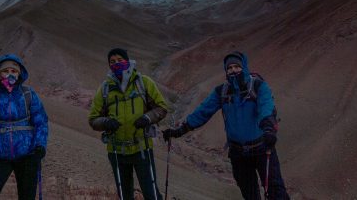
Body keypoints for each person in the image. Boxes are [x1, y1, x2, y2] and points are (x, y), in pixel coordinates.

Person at [162, 51, 290, 200]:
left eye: (237, 66)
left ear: (244, 67)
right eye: (229, 68)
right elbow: (203, 111)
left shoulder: (258, 86)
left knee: (276, 192)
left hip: (262, 147)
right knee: (250, 194)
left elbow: (266, 106)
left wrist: (268, 127)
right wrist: (180, 130)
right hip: (238, 153)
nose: (233, 70)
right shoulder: (221, 91)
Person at [89, 48, 168, 200]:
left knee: (151, 193)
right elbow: (93, 119)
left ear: (128, 61)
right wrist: (106, 122)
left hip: (142, 148)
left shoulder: (143, 83)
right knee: (125, 195)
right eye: (112, 62)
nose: (116, 64)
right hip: (116, 151)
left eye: (120, 60)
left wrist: (147, 118)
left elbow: (161, 107)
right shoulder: (105, 88)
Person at [0, 54, 48, 200]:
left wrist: (40, 145)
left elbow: (41, 122)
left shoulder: (29, 94)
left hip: (28, 155)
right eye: (5, 71)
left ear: (19, 74)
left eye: (14, 71)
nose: (10, 74)